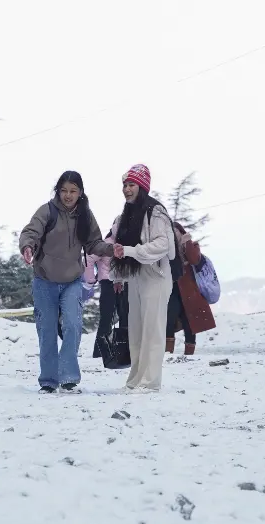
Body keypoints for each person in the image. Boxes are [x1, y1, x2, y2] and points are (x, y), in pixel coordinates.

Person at [18, 171, 115, 394]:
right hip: (45, 280)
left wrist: (111, 249)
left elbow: (93, 244)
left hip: (72, 280)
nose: (68, 195)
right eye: (64, 190)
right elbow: (30, 231)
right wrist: (27, 246)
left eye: (73, 191)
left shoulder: (85, 216)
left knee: (72, 325)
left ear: (80, 192)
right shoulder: (47, 211)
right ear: (58, 191)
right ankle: (49, 381)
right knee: (47, 330)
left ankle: (69, 377)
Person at [107, 164, 175, 391]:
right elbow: (118, 246)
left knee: (152, 329)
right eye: (125, 185)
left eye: (131, 185)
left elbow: (163, 245)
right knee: (136, 329)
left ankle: (150, 381)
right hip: (135, 277)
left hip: (156, 274)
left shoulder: (155, 212)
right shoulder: (126, 214)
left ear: (142, 186)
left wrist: (132, 251)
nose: (127, 189)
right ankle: (136, 378)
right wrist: (118, 275)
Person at [166, 222, 220, 355]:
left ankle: (189, 352)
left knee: (189, 321)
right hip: (171, 289)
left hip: (189, 290)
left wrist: (187, 242)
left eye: (176, 232)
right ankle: (167, 352)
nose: (174, 235)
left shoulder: (192, 246)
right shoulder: (166, 249)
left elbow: (194, 259)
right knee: (169, 317)